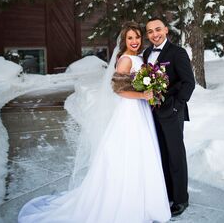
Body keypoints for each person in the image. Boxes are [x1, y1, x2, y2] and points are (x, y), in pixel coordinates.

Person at [18, 21, 171, 223]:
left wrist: (149, 89)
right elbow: (119, 90)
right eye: (130, 38)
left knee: (143, 151)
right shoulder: (125, 60)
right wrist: (142, 96)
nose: (134, 41)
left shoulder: (139, 57)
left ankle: (144, 199)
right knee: (129, 152)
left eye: (137, 37)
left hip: (141, 110)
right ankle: (126, 201)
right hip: (130, 111)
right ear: (124, 40)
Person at [143, 17, 195, 217]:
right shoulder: (147, 53)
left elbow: (188, 82)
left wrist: (176, 107)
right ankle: (168, 193)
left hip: (172, 111)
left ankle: (181, 199)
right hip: (152, 113)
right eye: (150, 31)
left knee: (176, 156)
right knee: (161, 154)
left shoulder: (177, 53)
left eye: (158, 29)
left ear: (166, 30)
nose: (154, 34)